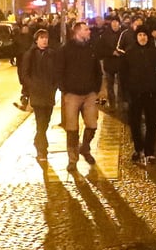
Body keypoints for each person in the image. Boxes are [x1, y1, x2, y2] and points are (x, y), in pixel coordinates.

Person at [55, 22, 102, 172]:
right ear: (78, 32)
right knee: (72, 129)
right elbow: (59, 70)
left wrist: (96, 89)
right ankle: (72, 159)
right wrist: (65, 90)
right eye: (86, 29)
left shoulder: (91, 48)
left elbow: (97, 70)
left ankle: (85, 148)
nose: (89, 31)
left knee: (92, 125)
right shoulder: (66, 49)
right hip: (72, 94)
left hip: (89, 93)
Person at [122, 26, 156, 163]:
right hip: (135, 94)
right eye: (140, 35)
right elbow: (123, 75)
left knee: (151, 123)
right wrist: (125, 94)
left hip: (151, 94)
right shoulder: (129, 52)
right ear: (136, 37)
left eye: (145, 35)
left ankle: (149, 150)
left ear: (148, 37)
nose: (142, 38)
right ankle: (138, 148)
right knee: (134, 123)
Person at [20, 29, 57, 160]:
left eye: (46, 37)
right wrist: (32, 86)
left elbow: (56, 71)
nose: (44, 40)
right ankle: (42, 150)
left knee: (46, 121)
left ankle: (37, 140)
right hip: (36, 93)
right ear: (36, 40)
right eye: (41, 38)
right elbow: (25, 74)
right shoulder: (30, 54)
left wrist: (54, 85)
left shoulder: (52, 54)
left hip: (49, 93)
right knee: (40, 122)